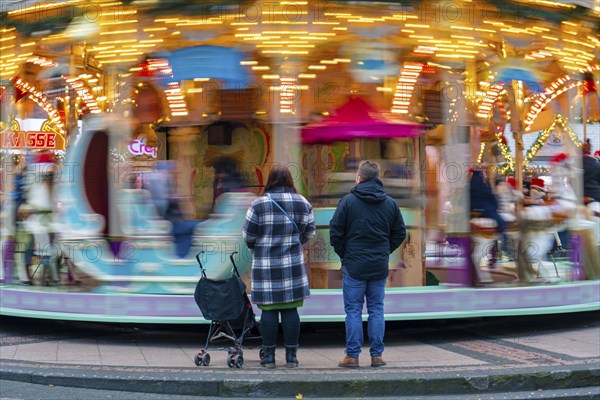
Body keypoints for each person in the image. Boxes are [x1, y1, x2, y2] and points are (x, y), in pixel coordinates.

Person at [329, 160, 406, 368]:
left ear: (359, 178)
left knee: (353, 310)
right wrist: (384, 250)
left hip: (354, 265)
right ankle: (377, 356)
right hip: (378, 265)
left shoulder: (347, 201)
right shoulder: (389, 203)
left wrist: (345, 254)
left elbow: (335, 232)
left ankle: (352, 356)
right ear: (377, 178)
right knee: (376, 309)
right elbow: (400, 232)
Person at [242, 165, 315, 369]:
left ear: (270, 180)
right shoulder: (303, 202)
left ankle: (269, 356)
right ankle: (291, 356)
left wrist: (257, 247)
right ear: (290, 180)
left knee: (269, 311)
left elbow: (248, 235)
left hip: (265, 266)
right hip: (292, 264)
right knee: (291, 309)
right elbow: (310, 231)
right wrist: (295, 242)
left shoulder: (258, 205)